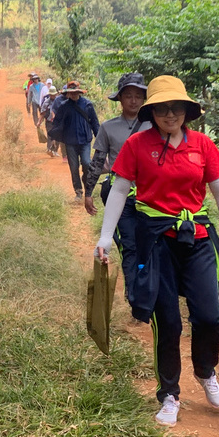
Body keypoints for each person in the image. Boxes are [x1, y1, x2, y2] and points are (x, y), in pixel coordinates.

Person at [94, 75, 219, 428]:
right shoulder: (136, 145)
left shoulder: (202, 145)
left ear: (187, 111)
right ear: (152, 112)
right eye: (161, 109)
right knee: (167, 322)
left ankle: (205, 372)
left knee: (208, 314)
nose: (169, 114)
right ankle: (170, 394)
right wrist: (104, 236)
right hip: (155, 240)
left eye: (176, 108)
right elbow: (118, 191)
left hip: (198, 238)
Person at [83, 73, 149, 304]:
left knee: (148, 246)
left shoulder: (156, 126)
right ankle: (135, 294)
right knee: (129, 244)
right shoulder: (109, 128)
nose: (133, 101)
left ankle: (147, 285)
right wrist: (88, 192)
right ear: (120, 98)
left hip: (151, 196)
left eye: (138, 96)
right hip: (120, 194)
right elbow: (98, 160)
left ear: (144, 99)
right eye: (128, 96)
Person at [51, 81, 101, 200]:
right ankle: (78, 191)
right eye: (71, 93)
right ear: (68, 93)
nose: (73, 95)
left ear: (79, 92)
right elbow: (57, 123)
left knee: (87, 163)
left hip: (85, 140)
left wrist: (99, 138)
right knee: (73, 167)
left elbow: (94, 122)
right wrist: (55, 136)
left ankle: (86, 181)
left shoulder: (87, 104)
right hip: (70, 142)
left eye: (75, 92)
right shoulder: (64, 106)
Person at [40, 83, 59, 156]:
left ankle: (55, 150)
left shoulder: (59, 102)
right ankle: (49, 149)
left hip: (58, 122)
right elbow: (43, 112)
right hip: (49, 121)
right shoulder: (46, 102)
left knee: (57, 136)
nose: (52, 96)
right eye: (51, 95)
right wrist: (39, 121)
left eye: (53, 94)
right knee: (50, 135)